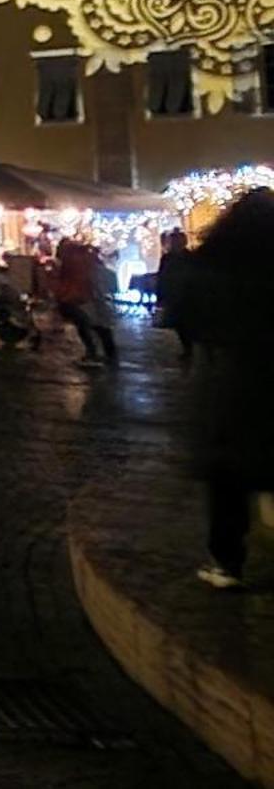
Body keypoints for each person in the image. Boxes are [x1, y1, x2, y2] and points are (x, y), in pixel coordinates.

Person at [178, 188, 274, 588]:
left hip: (231, 381)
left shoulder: (213, 264)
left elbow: (188, 315)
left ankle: (227, 562)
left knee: (228, 475)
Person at [50, 237, 116, 367]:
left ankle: (94, 353)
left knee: (88, 325)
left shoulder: (72, 260)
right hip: (86, 296)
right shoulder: (86, 257)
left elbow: (69, 279)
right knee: (96, 326)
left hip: (79, 297)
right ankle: (107, 354)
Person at [156, 227, 195, 361]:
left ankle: (189, 348)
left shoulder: (188, 257)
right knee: (180, 324)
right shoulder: (170, 258)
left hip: (186, 294)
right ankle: (188, 348)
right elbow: (162, 276)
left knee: (185, 323)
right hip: (176, 294)